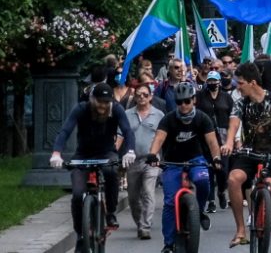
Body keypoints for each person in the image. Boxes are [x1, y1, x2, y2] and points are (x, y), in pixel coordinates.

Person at [220, 62, 271, 247]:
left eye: (240, 83)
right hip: (249, 152)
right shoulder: (241, 103)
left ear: (252, 83)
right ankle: (241, 230)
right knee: (234, 179)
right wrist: (228, 142)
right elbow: (233, 123)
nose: (237, 87)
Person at [50, 83, 136, 253]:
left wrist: (130, 151)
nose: (103, 106)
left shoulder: (116, 109)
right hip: (82, 155)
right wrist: (56, 153)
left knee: (111, 171)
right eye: (99, 102)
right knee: (76, 195)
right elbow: (65, 131)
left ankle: (111, 212)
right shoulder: (81, 109)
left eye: (106, 102)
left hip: (106, 153)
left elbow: (128, 131)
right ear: (92, 99)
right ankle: (80, 235)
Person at [146, 82, 221, 253]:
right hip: (172, 163)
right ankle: (168, 243)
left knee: (203, 180)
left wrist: (216, 158)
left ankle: (199, 211)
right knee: (170, 202)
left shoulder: (202, 118)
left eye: (187, 101)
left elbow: (211, 142)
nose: (183, 105)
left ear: (194, 100)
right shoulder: (169, 118)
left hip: (196, 159)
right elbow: (159, 138)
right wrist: (152, 155)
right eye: (179, 102)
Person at [123, 85, 164, 240]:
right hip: (132, 160)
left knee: (148, 192)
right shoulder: (127, 114)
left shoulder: (159, 114)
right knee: (133, 197)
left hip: (151, 160)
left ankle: (145, 226)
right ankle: (139, 221)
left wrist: (162, 158)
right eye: (138, 95)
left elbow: (163, 137)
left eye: (145, 95)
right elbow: (121, 135)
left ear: (150, 97)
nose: (141, 98)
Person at [196, 70, 234, 212]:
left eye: (214, 81)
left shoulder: (226, 98)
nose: (212, 83)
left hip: (223, 138)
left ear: (219, 82)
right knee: (208, 170)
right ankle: (211, 200)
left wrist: (234, 138)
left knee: (222, 170)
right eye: (210, 81)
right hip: (205, 137)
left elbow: (233, 116)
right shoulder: (200, 97)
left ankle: (221, 192)